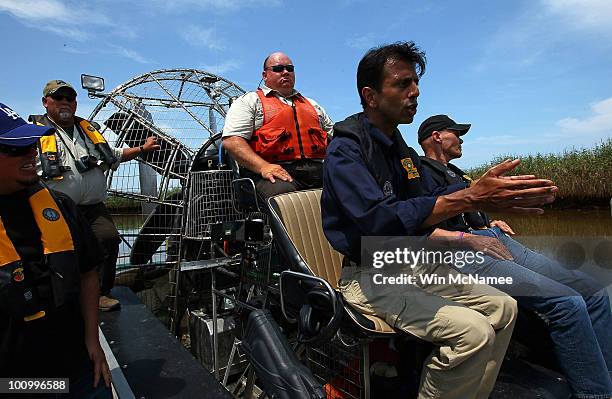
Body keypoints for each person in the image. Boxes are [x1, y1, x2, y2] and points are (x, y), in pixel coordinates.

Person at [322, 41, 557, 399]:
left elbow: (425, 209)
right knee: (473, 333)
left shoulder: (398, 148)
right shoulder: (346, 149)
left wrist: (484, 215)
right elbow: (377, 221)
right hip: (369, 276)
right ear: (370, 96)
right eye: (403, 84)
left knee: (505, 308)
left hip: (411, 265)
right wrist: (470, 196)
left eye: (415, 83)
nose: (415, 92)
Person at [418, 114, 612, 398]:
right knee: (567, 303)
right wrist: (469, 235)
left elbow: (472, 211)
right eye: (456, 133)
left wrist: (489, 223)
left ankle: (605, 377)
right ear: (436, 136)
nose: (461, 138)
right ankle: (596, 394)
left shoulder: (459, 175)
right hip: (464, 251)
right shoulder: (418, 172)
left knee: (593, 293)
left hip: (495, 238)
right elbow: (418, 222)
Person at [0, 102, 111, 397]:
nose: (30, 153)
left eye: (31, 145)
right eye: (14, 149)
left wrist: (93, 340)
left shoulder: (61, 206)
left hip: (78, 367)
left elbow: (88, 272)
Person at [30, 80, 161, 311]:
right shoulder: (34, 133)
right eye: (58, 97)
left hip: (93, 207)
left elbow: (115, 154)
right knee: (58, 253)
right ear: (45, 102)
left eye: (70, 98)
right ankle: (59, 297)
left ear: (75, 103)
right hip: (55, 208)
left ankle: (101, 293)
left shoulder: (88, 132)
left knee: (108, 239)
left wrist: (142, 148)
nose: (65, 102)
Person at [222, 52, 334, 201]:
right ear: (265, 75)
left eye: (290, 68)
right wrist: (263, 167)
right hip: (273, 172)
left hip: (317, 169)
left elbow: (335, 137)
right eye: (278, 68)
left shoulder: (312, 105)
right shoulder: (249, 101)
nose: (285, 72)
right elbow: (232, 141)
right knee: (285, 196)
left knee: (352, 184)